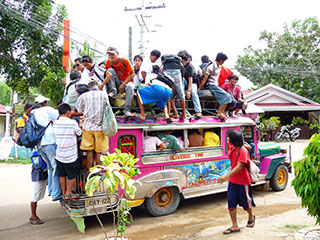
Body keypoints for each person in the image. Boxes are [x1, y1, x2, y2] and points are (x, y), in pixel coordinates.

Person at [217, 130, 256, 234]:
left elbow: (239, 166)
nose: (228, 140)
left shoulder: (242, 151)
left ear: (234, 140)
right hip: (233, 181)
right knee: (231, 203)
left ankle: (251, 217)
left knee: (246, 203)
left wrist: (225, 176)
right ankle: (235, 225)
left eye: (229, 138)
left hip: (243, 181)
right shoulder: (233, 148)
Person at [33, 95, 62, 202]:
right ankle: (56, 194)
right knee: (56, 168)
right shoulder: (48, 110)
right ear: (44, 102)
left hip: (40, 145)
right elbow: (62, 115)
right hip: (50, 141)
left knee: (50, 168)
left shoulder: (33, 113)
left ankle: (51, 190)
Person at [75, 80, 109, 169]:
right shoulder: (104, 94)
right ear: (97, 85)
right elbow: (108, 108)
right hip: (100, 128)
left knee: (89, 152)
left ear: (89, 87)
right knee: (99, 152)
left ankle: (90, 172)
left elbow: (79, 109)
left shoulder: (84, 96)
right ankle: (98, 172)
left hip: (87, 127)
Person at [54, 103, 82, 200]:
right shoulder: (72, 123)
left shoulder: (55, 123)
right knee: (72, 175)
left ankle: (63, 193)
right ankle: (68, 193)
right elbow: (79, 133)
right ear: (68, 112)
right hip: (70, 155)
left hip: (59, 155)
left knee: (62, 175)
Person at [198, 52, 232, 120]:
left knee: (228, 98)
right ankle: (220, 112)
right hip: (212, 85)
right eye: (223, 61)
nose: (223, 62)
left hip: (215, 85)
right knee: (228, 97)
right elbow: (205, 78)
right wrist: (199, 88)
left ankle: (222, 112)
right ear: (221, 59)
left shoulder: (219, 67)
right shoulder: (211, 67)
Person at [105, 47, 135, 116]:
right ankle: (113, 91)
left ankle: (127, 110)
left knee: (130, 86)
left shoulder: (124, 61)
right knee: (109, 71)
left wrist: (123, 84)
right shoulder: (108, 62)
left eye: (112, 54)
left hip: (127, 82)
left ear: (117, 54)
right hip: (117, 83)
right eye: (109, 54)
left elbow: (132, 73)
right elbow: (108, 75)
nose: (110, 56)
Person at [162, 54, 187, 119]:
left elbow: (161, 71)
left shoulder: (165, 63)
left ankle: (168, 114)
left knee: (169, 94)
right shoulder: (178, 63)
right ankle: (184, 114)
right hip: (176, 73)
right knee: (181, 95)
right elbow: (182, 73)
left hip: (166, 72)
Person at [179, 53, 202, 117]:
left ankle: (198, 111)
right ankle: (183, 111)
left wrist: (188, 91)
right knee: (181, 84)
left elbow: (190, 79)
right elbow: (181, 78)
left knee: (193, 92)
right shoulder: (181, 66)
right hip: (186, 81)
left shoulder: (190, 66)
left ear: (184, 60)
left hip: (193, 82)